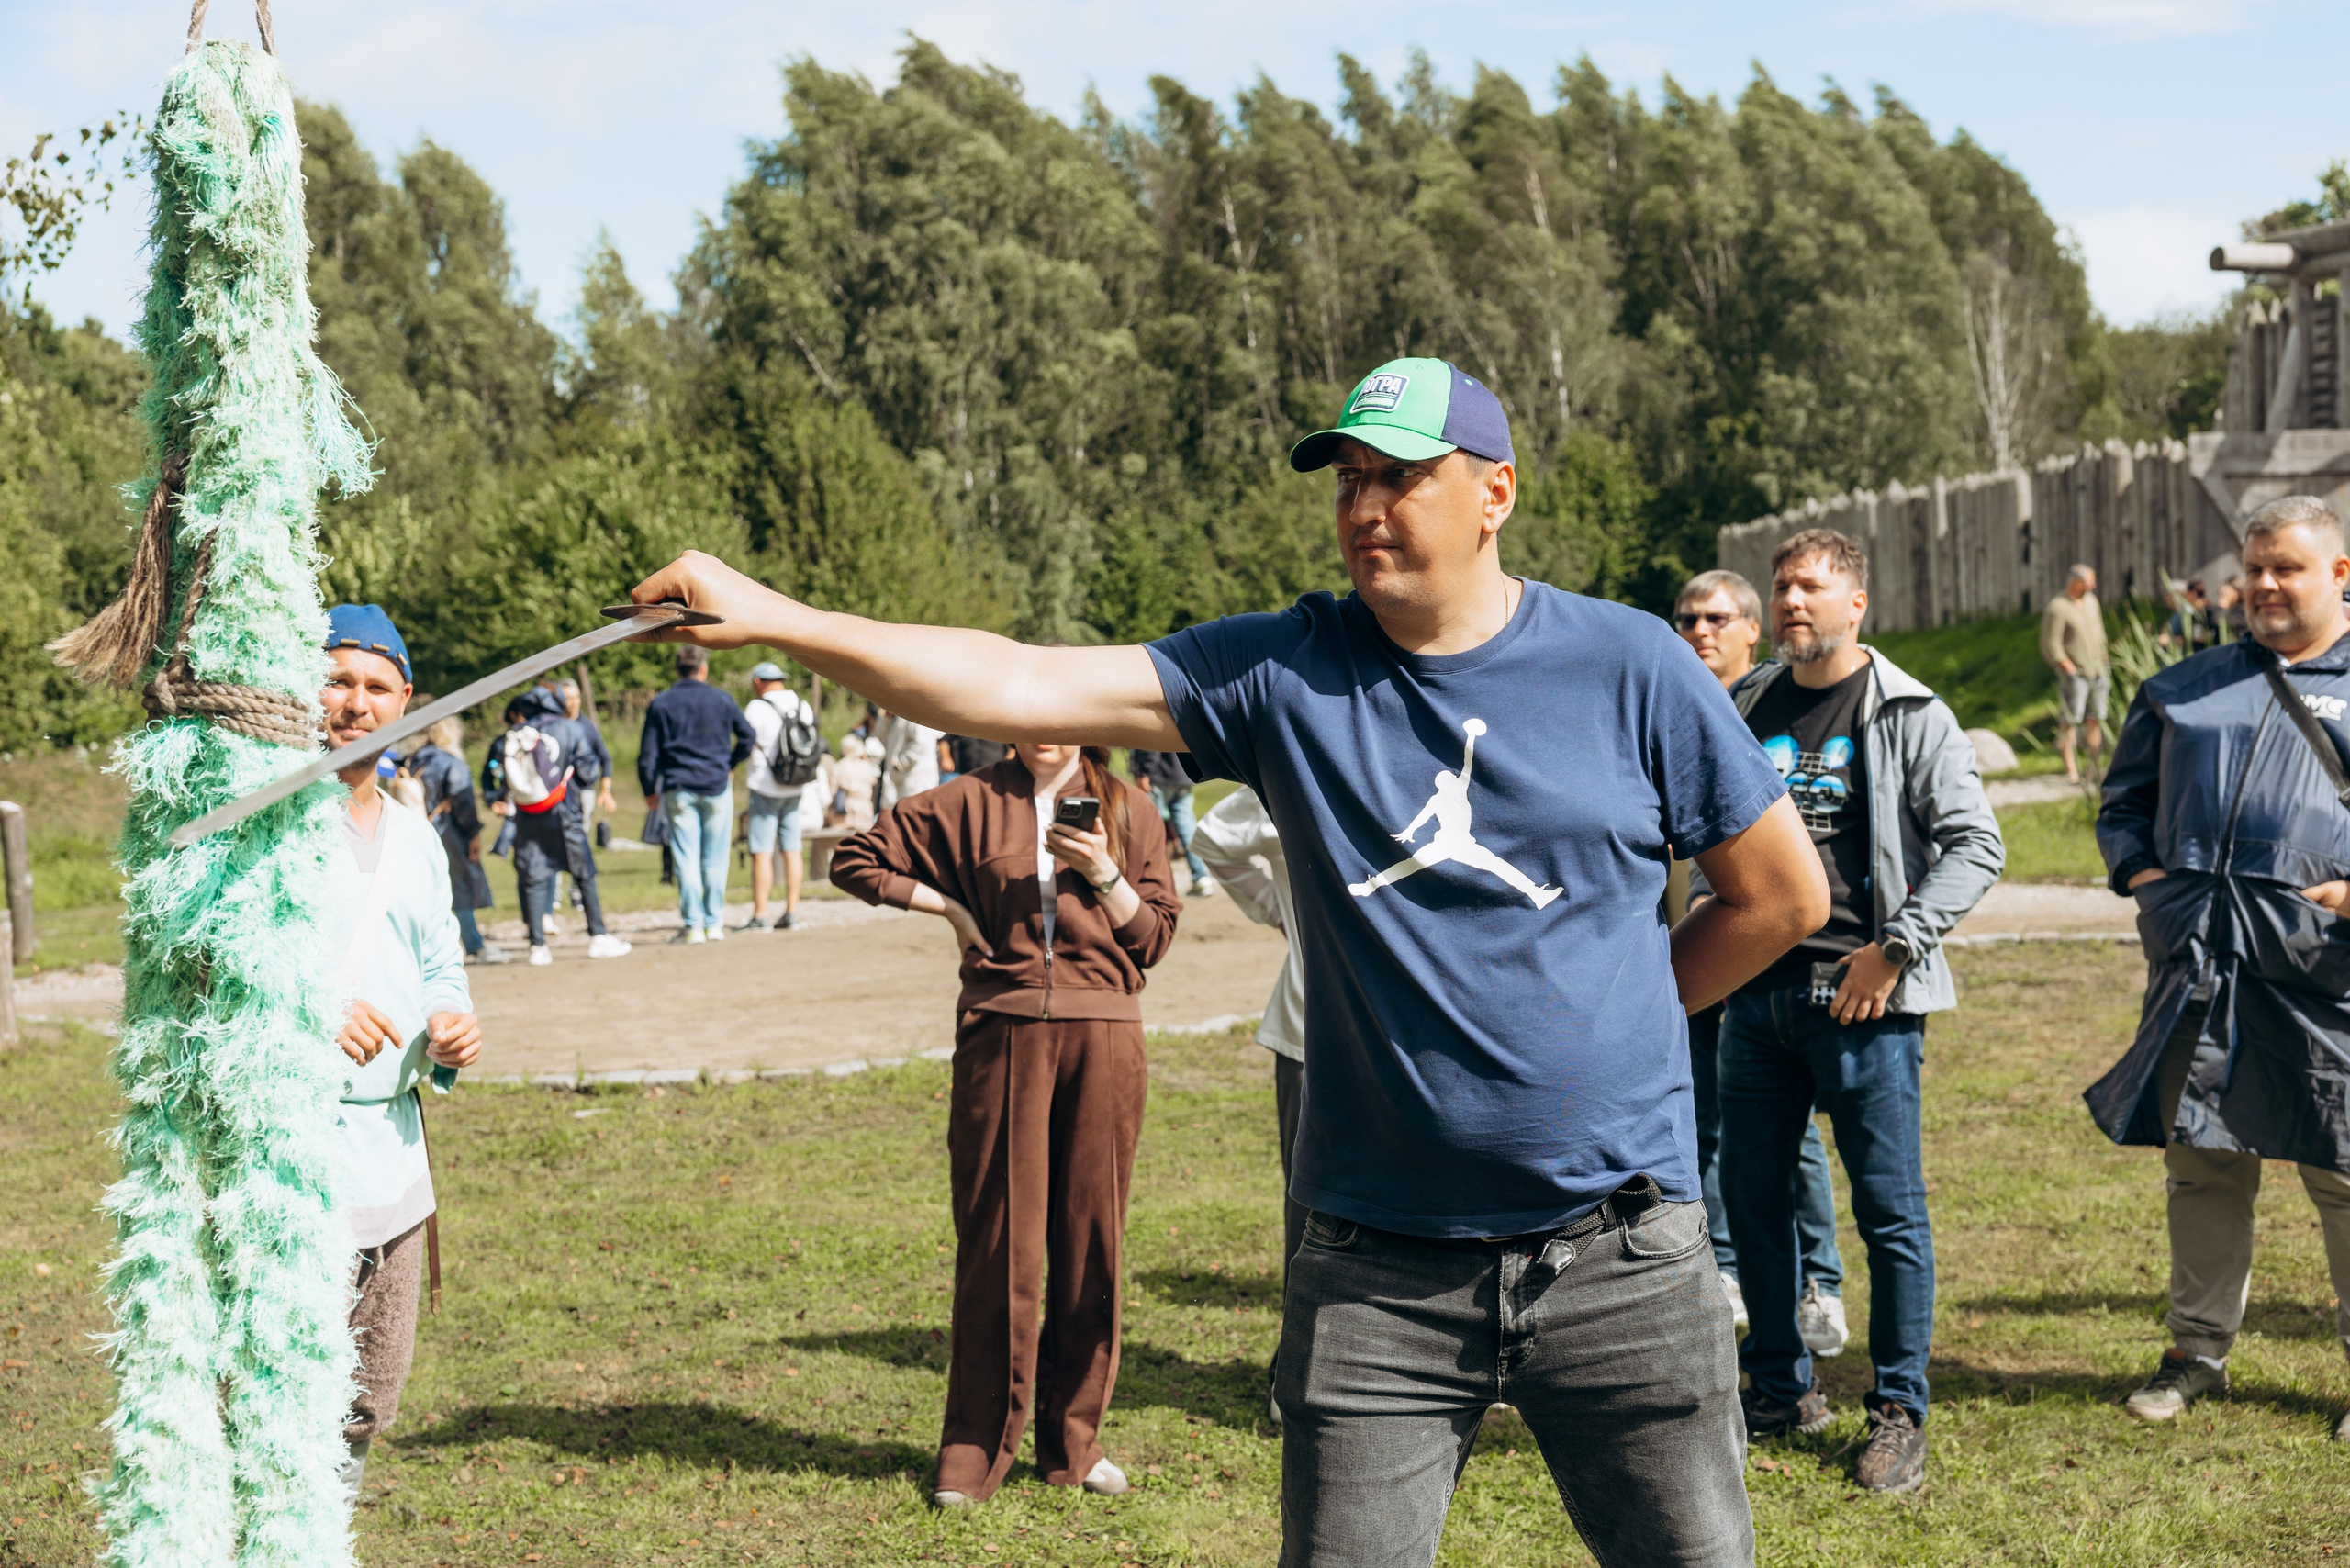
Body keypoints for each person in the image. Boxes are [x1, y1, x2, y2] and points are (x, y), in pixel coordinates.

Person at [626, 354, 1830, 1568]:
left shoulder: (1631, 667)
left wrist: (1615, 1011)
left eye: (1402, 476)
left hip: (1620, 1259)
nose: (1365, 506)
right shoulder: (1286, 671)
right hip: (1377, 1276)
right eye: (1349, 477)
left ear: (1495, 492)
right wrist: (778, 616)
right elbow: (1020, 678)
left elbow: (1781, 896)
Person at [1704, 528, 2004, 1495]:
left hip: (1862, 1000)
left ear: (1855, 603)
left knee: (1889, 1215)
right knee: (1752, 1205)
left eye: (1812, 587)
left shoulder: (1908, 710)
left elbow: (1974, 845)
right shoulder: (1745, 705)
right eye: (1783, 585)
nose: (1793, 601)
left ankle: (1897, 1408)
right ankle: (1779, 1387)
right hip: (1754, 1000)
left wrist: (1895, 947)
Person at [830, 740, 1181, 1509]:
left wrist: (1102, 870)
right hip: (1002, 1029)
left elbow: (1152, 937)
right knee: (998, 1244)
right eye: (1026, 715)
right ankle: (973, 1448)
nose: (1043, 730)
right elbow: (854, 859)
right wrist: (950, 907)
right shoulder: (966, 801)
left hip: (1104, 1036)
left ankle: (1073, 1443)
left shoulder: (1128, 807)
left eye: (1059, 714)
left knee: (1093, 1244)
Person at [2089, 495, 2350, 1439]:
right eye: (2253, 567)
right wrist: (2145, 877)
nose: (2264, 585)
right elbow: (2123, 803)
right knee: (2202, 1161)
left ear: (2339, 574)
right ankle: (2197, 1352)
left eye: (2286, 566)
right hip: (2201, 965)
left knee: (2343, 1169)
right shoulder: (2183, 686)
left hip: (2330, 978)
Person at [317, 606, 484, 1503]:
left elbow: (438, 967)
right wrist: (309, 1008)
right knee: (277, 1387)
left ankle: (326, 1535)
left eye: (375, 686)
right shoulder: (264, 830)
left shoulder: (419, 840)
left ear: (406, 704)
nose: (355, 702)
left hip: (395, 1155)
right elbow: (207, 965)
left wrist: (451, 1023)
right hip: (293, 1153)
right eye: (337, 679)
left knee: (368, 1395)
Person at [1672, 569, 1846, 1351]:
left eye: (1715, 618)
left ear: (1750, 630)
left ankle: (1821, 1282)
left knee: (1793, 1136)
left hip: (1769, 954)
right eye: (1686, 619)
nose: (1699, 631)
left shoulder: (1768, 712)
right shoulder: (1678, 706)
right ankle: (1728, 1265)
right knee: (1703, 1119)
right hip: (1691, 946)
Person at [1189, 783, 1306, 1418]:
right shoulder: (1298, 752)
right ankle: (1298, 1374)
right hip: (1315, 1037)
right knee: (1314, 1218)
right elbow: (1215, 839)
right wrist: (1278, 909)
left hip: (1432, 1044)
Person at [483, 689, 632, 967]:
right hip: (565, 811)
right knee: (583, 872)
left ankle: (537, 945)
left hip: (527, 815)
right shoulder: (570, 728)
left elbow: (497, 772)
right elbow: (588, 773)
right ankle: (598, 935)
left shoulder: (515, 733)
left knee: (532, 877)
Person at [638, 644, 755, 943]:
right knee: (715, 859)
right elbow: (748, 736)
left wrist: (649, 789)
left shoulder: (661, 703)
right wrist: (730, 763)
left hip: (678, 788)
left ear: (677, 669)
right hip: (716, 786)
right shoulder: (722, 699)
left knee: (685, 857)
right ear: (703, 668)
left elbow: (647, 756)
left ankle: (693, 926)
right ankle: (714, 924)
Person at [408, 715, 506, 966]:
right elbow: (463, 803)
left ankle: (427, 947)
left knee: (425, 890)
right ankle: (474, 944)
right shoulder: (451, 763)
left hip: (417, 830)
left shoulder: (412, 762)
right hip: (449, 832)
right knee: (460, 887)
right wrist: (474, 833)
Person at [742, 661, 820, 930]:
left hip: (765, 785)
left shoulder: (756, 707)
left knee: (761, 851)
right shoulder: (802, 703)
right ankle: (791, 910)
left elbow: (747, 743)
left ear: (757, 682)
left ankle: (761, 914)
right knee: (792, 848)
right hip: (796, 785)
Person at [2041, 563, 2109, 784]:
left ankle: (2093, 769)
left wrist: (2104, 654)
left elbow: (2099, 631)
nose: (2094, 585)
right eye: (2090, 581)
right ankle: (2071, 771)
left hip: (2099, 671)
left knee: (2095, 719)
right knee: (2070, 721)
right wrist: (2067, 667)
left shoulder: (2091, 602)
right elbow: (2051, 644)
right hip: (2076, 675)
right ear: (2077, 582)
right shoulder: (2057, 608)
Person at [1130, 749, 1215, 896]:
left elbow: (1149, 739)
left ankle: (1153, 882)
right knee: (1186, 827)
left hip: (1159, 775)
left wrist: (1144, 771)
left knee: (1150, 830)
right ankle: (1201, 877)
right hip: (1183, 775)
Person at [876, 709, 946, 810]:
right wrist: (886, 718)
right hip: (902, 779)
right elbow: (880, 734)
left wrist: (900, 764)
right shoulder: (896, 716)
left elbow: (921, 744)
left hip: (917, 779)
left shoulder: (915, 712)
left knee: (915, 818)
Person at [823, 734, 880, 832]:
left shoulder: (839, 767)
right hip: (865, 814)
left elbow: (831, 794)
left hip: (843, 815)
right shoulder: (867, 767)